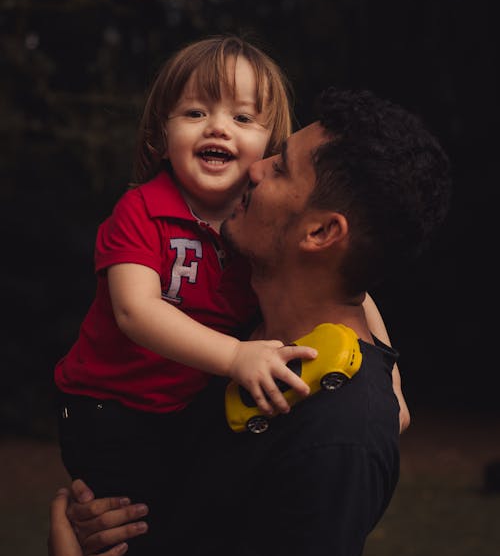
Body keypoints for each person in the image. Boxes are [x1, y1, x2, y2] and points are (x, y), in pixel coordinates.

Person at [49, 86, 451, 556]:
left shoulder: (341, 428)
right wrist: (104, 514)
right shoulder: (223, 332)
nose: (254, 166)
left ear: (320, 233)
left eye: (281, 166)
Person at [54, 35, 407, 504]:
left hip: (187, 408)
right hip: (111, 410)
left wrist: (390, 388)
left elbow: (352, 290)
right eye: (196, 113)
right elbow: (134, 312)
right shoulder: (141, 209)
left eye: (242, 118)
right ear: (161, 137)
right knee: (139, 528)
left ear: (269, 146)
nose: (217, 128)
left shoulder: (262, 225)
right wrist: (236, 358)